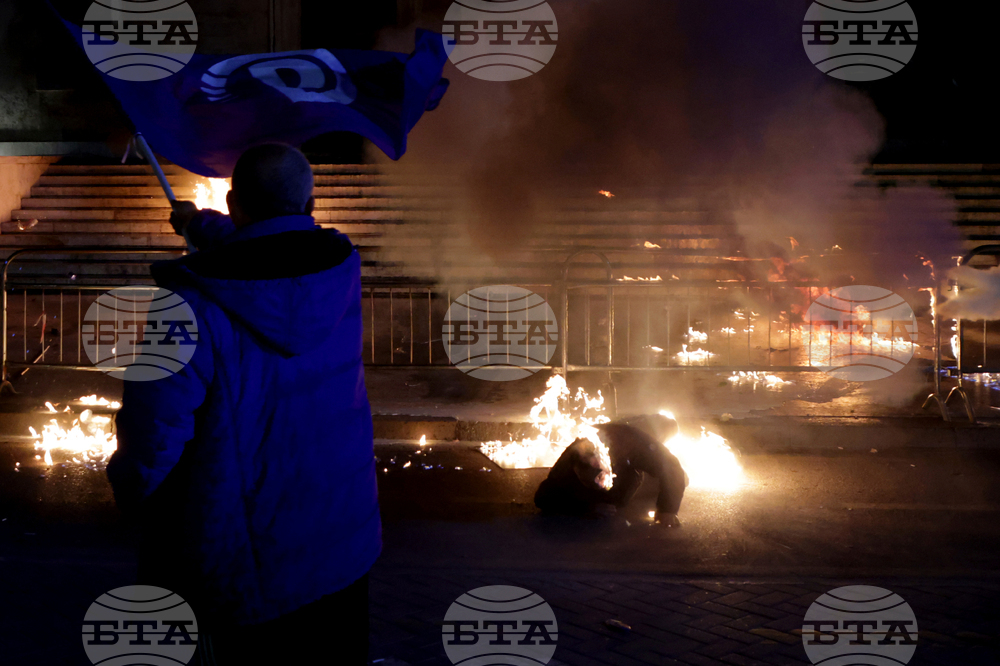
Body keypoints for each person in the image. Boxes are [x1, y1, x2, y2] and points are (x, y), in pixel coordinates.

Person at [107, 144, 380, 665]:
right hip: (342, 550)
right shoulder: (339, 268)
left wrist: (129, 492)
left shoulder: (187, 306)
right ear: (312, 202)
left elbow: (153, 436)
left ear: (232, 203)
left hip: (245, 565)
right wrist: (198, 225)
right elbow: (271, 255)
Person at [534, 414, 688, 527]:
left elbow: (672, 468)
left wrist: (668, 510)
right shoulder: (571, 458)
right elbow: (543, 497)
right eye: (587, 481)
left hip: (640, 444)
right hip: (616, 461)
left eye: (600, 481)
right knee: (616, 497)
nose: (597, 486)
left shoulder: (634, 446)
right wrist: (586, 507)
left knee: (679, 479)